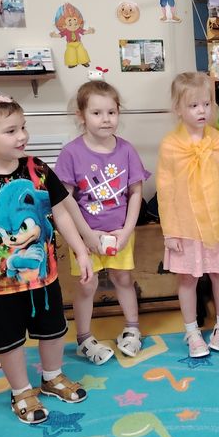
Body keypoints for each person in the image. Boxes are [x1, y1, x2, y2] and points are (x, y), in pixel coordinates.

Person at [0, 90, 94, 425]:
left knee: (53, 331)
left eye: (23, 127)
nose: (22, 136)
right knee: (8, 341)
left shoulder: (37, 169)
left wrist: (81, 251)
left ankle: (52, 377)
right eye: (11, 131)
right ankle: (21, 390)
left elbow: (61, 213)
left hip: (44, 277)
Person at [55, 81, 150, 365]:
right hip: (85, 237)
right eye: (97, 113)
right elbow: (65, 201)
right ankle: (84, 338)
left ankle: (132, 328)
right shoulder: (71, 153)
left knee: (123, 279)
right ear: (81, 116)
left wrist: (127, 231)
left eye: (112, 112)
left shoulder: (127, 150)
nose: (106, 119)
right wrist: (86, 235)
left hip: (120, 233)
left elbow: (136, 193)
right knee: (87, 285)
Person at [157, 73, 219, 357]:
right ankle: (192, 331)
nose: (202, 111)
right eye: (194, 105)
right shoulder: (170, 146)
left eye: (206, 104)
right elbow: (166, 191)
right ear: (178, 108)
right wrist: (171, 231)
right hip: (186, 227)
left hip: (217, 226)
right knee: (187, 280)